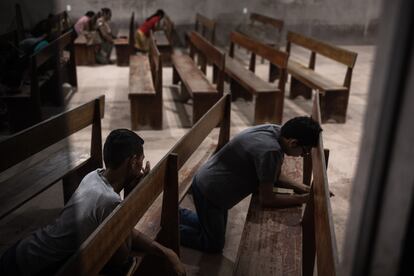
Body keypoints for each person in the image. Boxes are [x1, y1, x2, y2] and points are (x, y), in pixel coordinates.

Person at [0, 129, 186, 276]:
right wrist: (133, 196)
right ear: (133, 162)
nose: (141, 168)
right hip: (31, 269)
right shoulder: (109, 201)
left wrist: (166, 252)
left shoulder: (94, 175)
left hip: (23, 251)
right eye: (141, 161)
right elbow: (121, 256)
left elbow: (123, 230)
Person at [179, 117, 322, 253]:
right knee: (213, 244)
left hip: (209, 180)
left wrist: (303, 188)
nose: (304, 156)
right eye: (305, 151)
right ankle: (171, 230)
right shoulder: (270, 151)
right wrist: (303, 199)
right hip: (211, 193)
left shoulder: (275, 130)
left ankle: (179, 214)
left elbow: (274, 174)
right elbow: (267, 200)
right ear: (293, 143)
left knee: (209, 226)